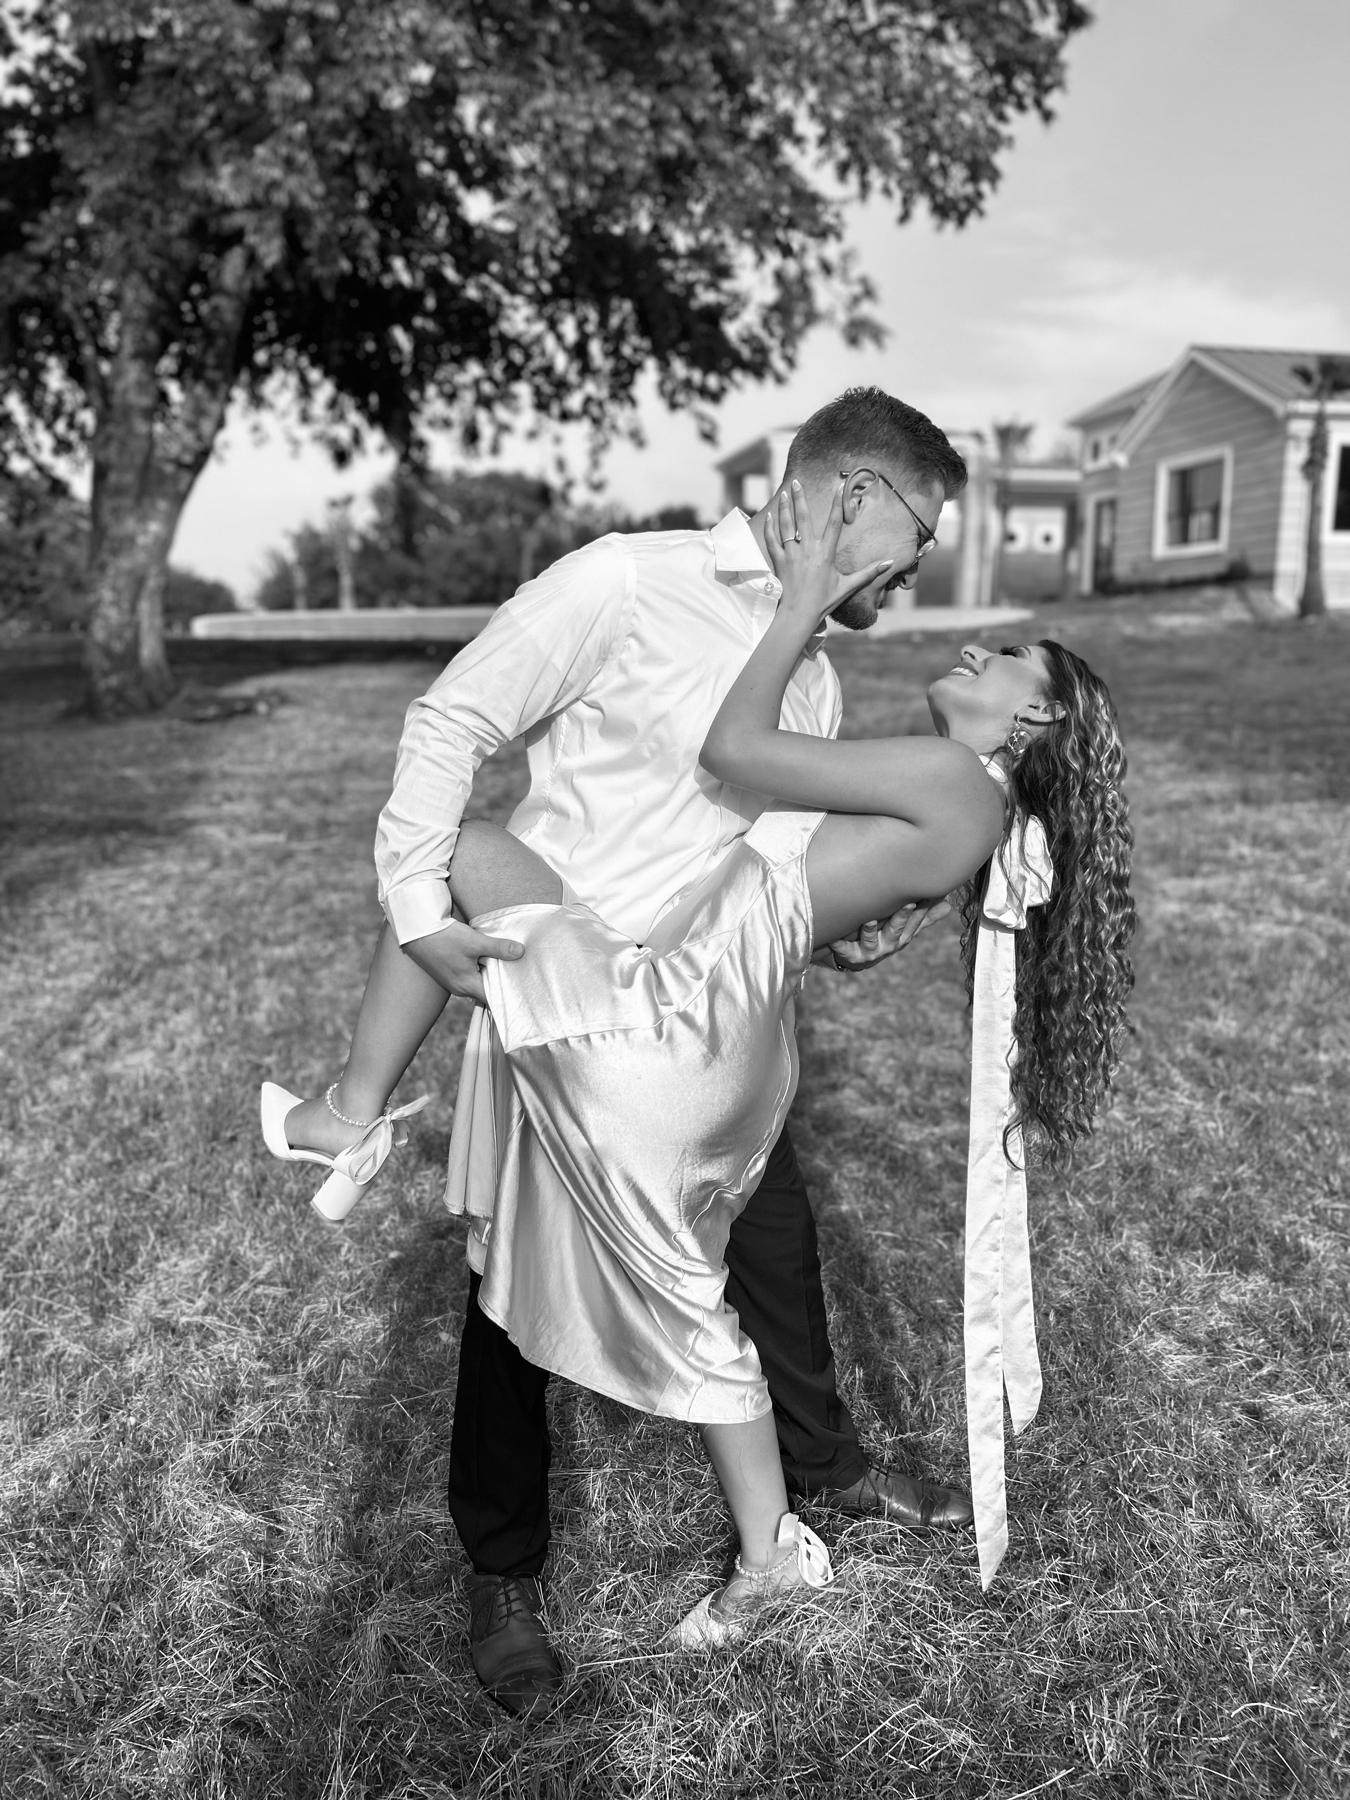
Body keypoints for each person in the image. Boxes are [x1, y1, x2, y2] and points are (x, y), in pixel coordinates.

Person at [265, 389, 989, 1714]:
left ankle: (816, 1468)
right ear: (842, 496)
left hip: (705, 1029)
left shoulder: (811, 675)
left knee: (775, 1247)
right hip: (565, 1009)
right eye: (914, 536)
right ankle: (503, 1570)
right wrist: (420, 912)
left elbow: (761, 869)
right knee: (510, 1309)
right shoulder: (626, 582)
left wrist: (841, 940)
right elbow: (450, 723)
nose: (915, 570)